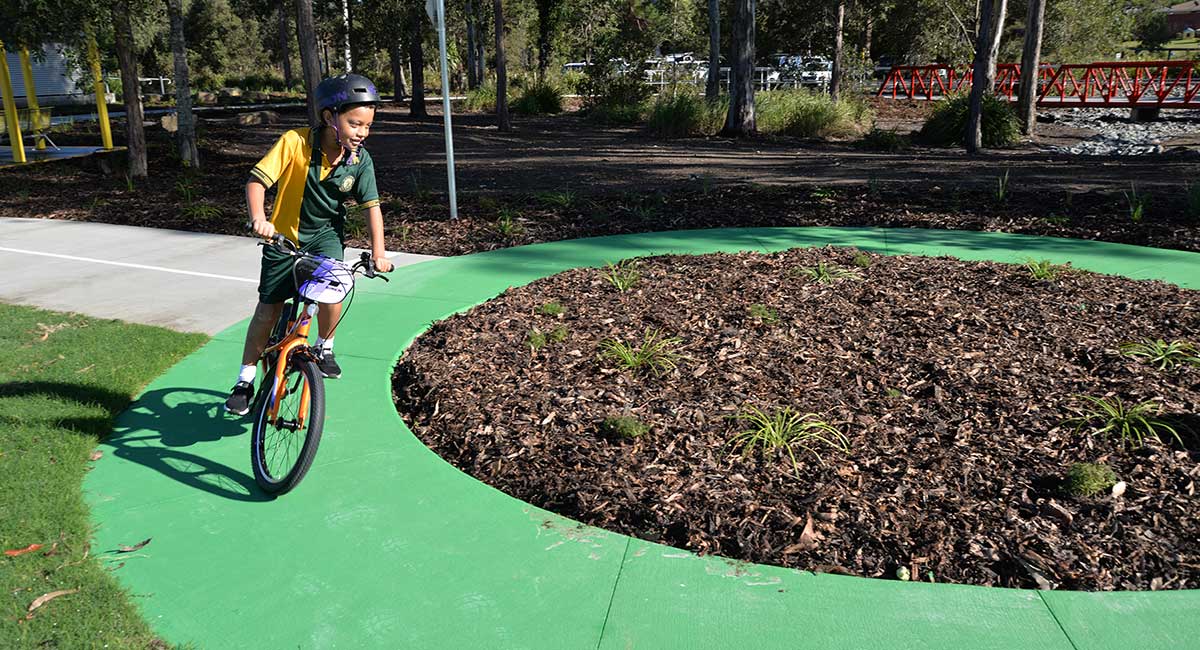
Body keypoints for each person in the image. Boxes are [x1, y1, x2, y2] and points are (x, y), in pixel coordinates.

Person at [224, 73, 394, 416]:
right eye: (354, 123)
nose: (362, 132)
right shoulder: (294, 142)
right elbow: (257, 181)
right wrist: (260, 218)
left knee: (335, 284)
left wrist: (379, 254)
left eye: (367, 126)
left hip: (324, 239)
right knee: (268, 309)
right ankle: (245, 379)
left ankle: (325, 345)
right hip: (281, 239)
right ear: (330, 116)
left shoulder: (360, 161)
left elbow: (372, 208)